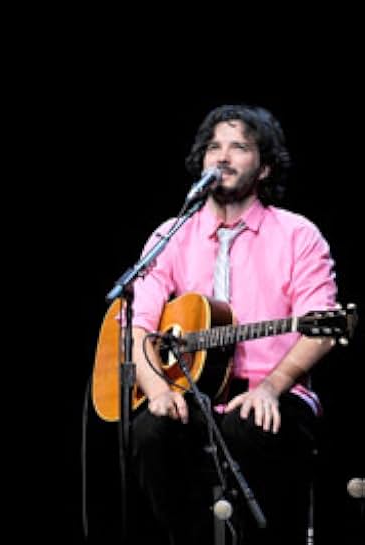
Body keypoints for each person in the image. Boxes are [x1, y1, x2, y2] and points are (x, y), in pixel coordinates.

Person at [128, 105, 339, 544]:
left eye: (238, 147)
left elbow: (319, 330)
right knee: (150, 430)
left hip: (268, 391)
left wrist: (271, 387)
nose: (221, 156)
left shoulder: (298, 234)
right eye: (214, 147)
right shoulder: (171, 235)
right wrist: (156, 389)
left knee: (248, 427)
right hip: (190, 393)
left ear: (263, 168)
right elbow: (139, 325)